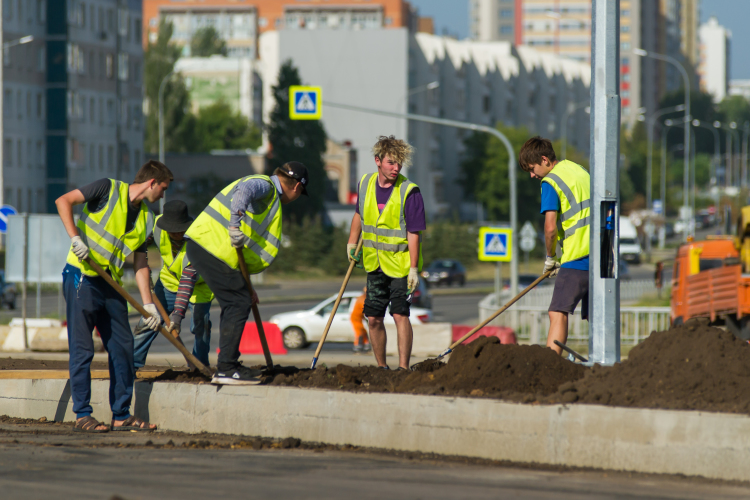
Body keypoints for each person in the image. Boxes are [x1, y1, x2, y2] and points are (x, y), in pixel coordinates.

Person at [55, 160, 172, 433]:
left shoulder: (147, 219)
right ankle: (83, 415)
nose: (163, 195)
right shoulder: (107, 189)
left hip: (111, 284)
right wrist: (75, 238)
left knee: (123, 346)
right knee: (83, 349)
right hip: (81, 275)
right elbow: (64, 201)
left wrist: (148, 305)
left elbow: (141, 264)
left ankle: (121, 414)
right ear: (151, 183)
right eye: (163, 188)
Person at [185, 162, 308, 385]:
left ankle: (228, 365)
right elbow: (245, 190)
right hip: (210, 247)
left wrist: (248, 287)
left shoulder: (270, 199)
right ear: (298, 187)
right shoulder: (266, 187)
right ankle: (227, 368)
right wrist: (234, 226)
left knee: (239, 299)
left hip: (210, 248)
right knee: (237, 302)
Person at [347, 135, 425, 370]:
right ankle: (381, 367)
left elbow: (414, 233)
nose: (396, 168)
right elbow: (360, 215)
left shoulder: (409, 192)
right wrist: (352, 242)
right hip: (374, 263)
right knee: (373, 318)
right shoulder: (365, 184)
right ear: (378, 161)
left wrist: (413, 268)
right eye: (391, 162)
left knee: (400, 315)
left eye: (399, 163)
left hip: (401, 266)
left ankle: (403, 368)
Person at [519, 136, 590, 355]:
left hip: (577, 259)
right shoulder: (579, 170)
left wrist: (551, 258)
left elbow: (550, 228)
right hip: (603, 258)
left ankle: (550, 365)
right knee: (599, 315)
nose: (532, 175)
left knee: (557, 312)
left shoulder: (550, 181)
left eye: (532, 169)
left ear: (544, 160)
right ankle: (602, 361)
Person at [132, 200, 214, 370]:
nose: (176, 233)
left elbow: (188, 278)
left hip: (199, 286)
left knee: (201, 326)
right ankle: (131, 363)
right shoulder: (156, 227)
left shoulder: (199, 238)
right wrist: (144, 269)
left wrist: (177, 316)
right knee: (149, 321)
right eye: (172, 230)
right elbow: (139, 245)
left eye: (180, 230)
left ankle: (199, 365)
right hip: (168, 282)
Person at [351, 287, 370, 353]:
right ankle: (357, 347)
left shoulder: (363, 298)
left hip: (360, 317)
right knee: (359, 332)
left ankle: (366, 346)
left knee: (363, 331)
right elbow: (365, 309)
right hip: (356, 318)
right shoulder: (362, 299)